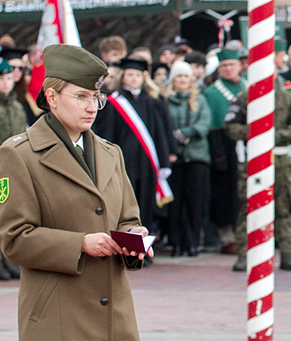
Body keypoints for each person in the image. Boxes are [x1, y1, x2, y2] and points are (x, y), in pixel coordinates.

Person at [0, 45, 159, 341]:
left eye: (96, 98)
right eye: (81, 97)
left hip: (107, 306)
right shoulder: (19, 154)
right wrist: (80, 244)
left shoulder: (109, 152)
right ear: (51, 97)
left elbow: (128, 216)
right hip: (55, 309)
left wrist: (135, 242)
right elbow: (14, 238)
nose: (92, 107)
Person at [225, 49, 291, 271]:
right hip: (251, 162)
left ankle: (287, 253)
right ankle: (244, 254)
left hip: (280, 161)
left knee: (282, 208)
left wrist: (276, 135)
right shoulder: (243, 98)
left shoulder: (287, 98)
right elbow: (231, 127)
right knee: (247, 206)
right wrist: (255, 133)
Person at [92, 57, 173, 241]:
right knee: (124, 202)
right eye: (130, 74)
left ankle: (144, 243)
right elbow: (108, 133)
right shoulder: (114, 102)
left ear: (143, 78)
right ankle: (125, 240)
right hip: (124, 160)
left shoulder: (151, 103)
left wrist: (164, 160)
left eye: (137, 75)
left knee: (145, 202)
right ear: (123, 77)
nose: (134, 78)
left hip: (146, 161)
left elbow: (159, 134)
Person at [164, 61, 211, 258]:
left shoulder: (200, 100)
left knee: (194, 201)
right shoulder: (165, 101)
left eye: (185, 76)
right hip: (174, 158)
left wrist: (186, 133)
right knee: (175, 203)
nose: (182, 80)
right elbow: (161, 125)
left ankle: (192, 242)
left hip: (196, 156)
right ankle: (176, 243)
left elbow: (204, 123)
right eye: (178, 76)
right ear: (173, 80)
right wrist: (173, 139)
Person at [202, 49, 247, 254]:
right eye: (224, 66)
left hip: (247, 143)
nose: (229, 69)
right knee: (227, 193)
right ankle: (227, 237)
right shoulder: (212, 92)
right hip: (224, 143)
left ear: (240, 65)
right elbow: (211, 126)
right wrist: (218, 155)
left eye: (232, 64)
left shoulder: (248, 86)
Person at [0, 58, 26, 280]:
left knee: (10, 213)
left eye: (9, 78)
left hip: (11, 169)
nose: (6, 83)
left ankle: (8, 259)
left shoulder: (17, 107)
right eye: (1, 79)